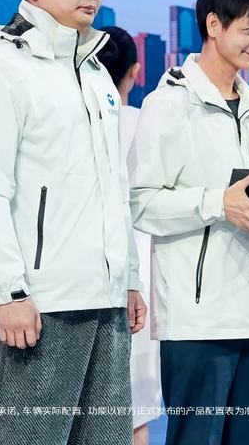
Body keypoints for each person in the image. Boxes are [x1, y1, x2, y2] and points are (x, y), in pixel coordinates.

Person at [0, 0, 145, 445]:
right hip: (41, 303)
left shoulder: (96, 75)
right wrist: (10, 291)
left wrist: (128, 277)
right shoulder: (1, 68)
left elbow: (114, 188)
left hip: (105, 300)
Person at [128, 0, 249, 445]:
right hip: (198, 322)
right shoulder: (169, 104)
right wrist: (217, 202)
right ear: (214, 25)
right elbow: (140, 202)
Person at [96, 25, 162, 445]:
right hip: (143, 279)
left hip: (87, 279)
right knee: (136, 412)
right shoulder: (145, 123)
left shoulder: (76, 124)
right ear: (135, 72)